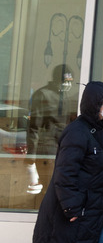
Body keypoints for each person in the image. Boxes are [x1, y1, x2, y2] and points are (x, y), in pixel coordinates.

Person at [31, 81, 103, 243]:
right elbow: (64, 174)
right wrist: (72, 208)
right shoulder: (77, 132)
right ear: (95, 104)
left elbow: (101, 163)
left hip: (97, 208)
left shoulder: (100, 129)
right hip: (80, 212)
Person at [26, 64, 80, 194]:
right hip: (46, 149)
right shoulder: (43, 95)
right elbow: (34, 127)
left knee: (60, 189)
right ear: (57, 80)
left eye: (70, 82)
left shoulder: (64, 96)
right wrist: (31, 159)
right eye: (65, 81)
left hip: (62, 149)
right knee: (49, 190)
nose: (68, 85)